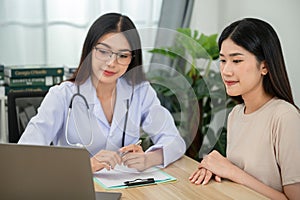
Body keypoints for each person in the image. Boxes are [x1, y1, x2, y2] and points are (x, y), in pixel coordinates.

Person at [18, 13, 186, 173]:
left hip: (127, 189)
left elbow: (174, 141)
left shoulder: (140, 92)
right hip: (74, 187)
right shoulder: (62, 95)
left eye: (122, 55)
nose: (112, 63)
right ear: (90, 50)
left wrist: (148, 159)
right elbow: (25, 154)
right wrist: (85, 166)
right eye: (104, 52)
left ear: (132, 59)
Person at [189, 18, 300, 199]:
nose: (226, 71)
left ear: (264, 66)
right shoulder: (236, 114)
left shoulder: (285, 117)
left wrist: (232, 171)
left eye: (237, 60)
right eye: (223, 60)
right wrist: (217, 170)